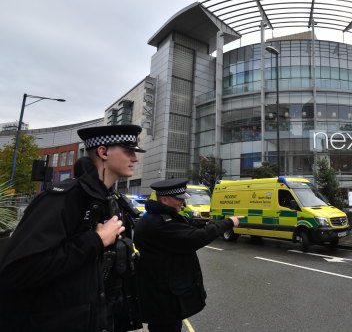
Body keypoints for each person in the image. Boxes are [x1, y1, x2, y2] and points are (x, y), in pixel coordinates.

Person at [0, 124, 146, 332]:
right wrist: (95, 240)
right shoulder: (64, 198)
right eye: (128, 151)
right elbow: (18, 271)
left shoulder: (110, 201)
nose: (135, 158)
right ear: (103, 152)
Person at [134, 178, 244, 332]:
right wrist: (228, 223)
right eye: (178, 199)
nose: (182, 203)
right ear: (164, 199)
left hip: (162, 291)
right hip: (164, 295)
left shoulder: (156, 218)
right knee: (167, 327)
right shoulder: (160, 223)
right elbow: (196, 238)